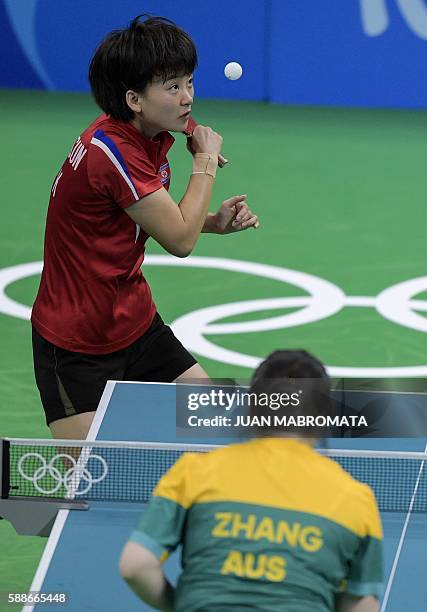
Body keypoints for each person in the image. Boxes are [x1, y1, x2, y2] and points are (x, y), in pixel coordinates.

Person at [31, 15, 259, 440]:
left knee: (213, 428)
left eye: (189, 82)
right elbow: (179, 241)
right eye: (173, 88)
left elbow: (147, 218)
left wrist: (210, 222)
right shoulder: (111, 152)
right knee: (86, 486)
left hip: (135, 324)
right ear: (134, 98)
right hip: (75, 344)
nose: (188, 98)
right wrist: (205, 162)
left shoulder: (146, 134)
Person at [119, 350, 383, 611]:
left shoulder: (194, 471)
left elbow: (136, 565)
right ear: (323, 415)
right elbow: (363, 603)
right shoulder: (357, 498)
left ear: (252, 407)